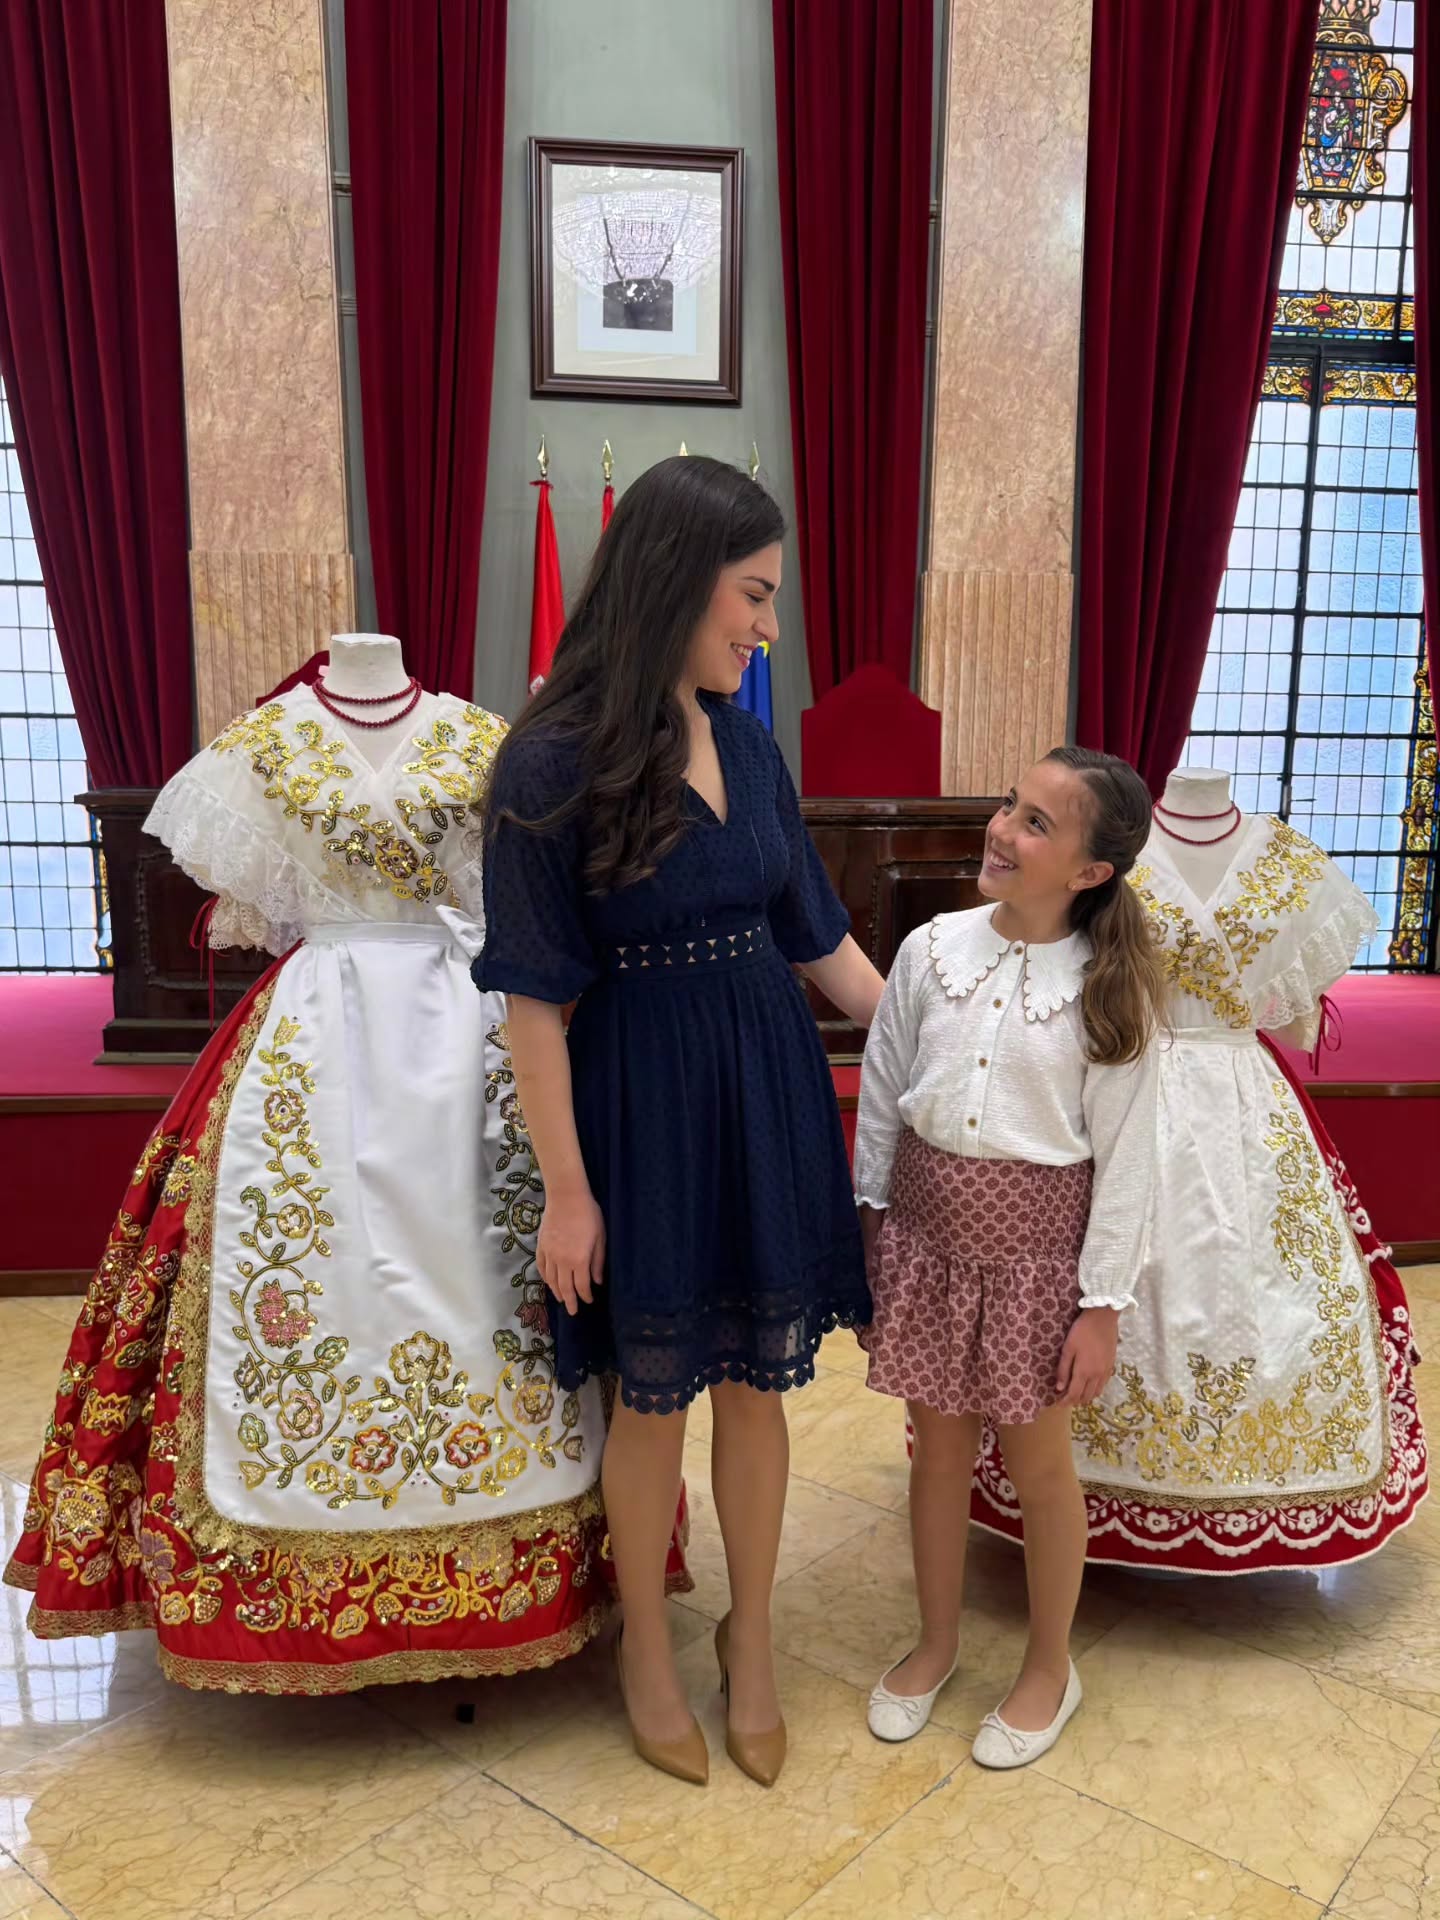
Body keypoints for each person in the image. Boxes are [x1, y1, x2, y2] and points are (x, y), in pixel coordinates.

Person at [4, 644, 694, 1689]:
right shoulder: (266, 742)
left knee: (490, 1262)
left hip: (467, 1033)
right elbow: (260, 912)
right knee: (306, 1271)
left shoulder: (479, 737)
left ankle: (530, 1567)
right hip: (316, 1034)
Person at [475, 455, 883, 1788]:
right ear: (676, 578)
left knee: (758, 1389)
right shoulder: (545, 762)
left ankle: (748, 1642)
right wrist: (571, 1193)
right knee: (649, 1399)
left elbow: (824, 946)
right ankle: (649, 1645)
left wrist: (965, 1048)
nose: (767, 628)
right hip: (637, 1105)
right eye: (754, 596)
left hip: (765, 1091)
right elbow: (534, 1000)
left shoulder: (753, 745)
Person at [854, 746, 1163, 1767]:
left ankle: (1047, 1666)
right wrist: (870, 1224)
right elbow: (888, 1090)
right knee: (936, 1450)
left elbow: (1126, 1164)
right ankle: (936, 1642)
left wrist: (1102, 1306)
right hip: (930, 1241)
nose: (1002, 828)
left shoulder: (1108, 993)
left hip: (1039, 1262)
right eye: (1009, 805)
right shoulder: (930, 950)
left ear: (1089, 872)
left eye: (1037, 822)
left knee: (1038, 1467)